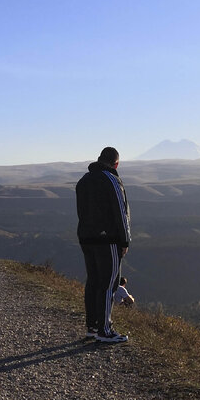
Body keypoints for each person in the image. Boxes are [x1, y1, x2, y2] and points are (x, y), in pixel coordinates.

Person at [76, 146, 131, 343]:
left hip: (86, 238)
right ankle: (105, 330)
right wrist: (124, 241)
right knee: (109, 284)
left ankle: (92, 327)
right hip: (108, 240)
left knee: (93, 282)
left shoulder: (83, 181)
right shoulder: (112, 180)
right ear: (116, 163)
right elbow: (121, 213)